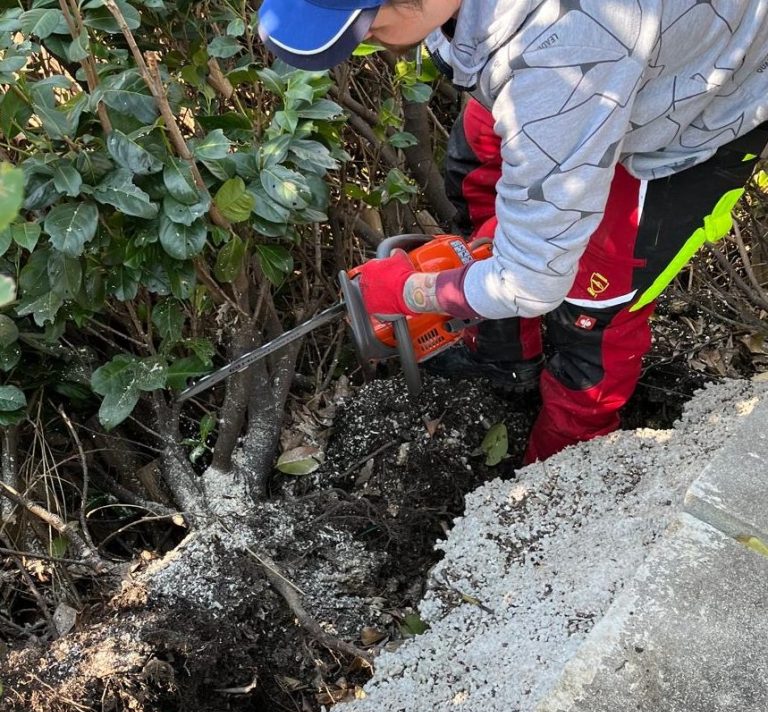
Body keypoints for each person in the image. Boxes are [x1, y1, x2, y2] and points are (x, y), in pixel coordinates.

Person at [259, 0, 768, 463]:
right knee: (477, 165)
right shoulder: (511, 50)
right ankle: (504, 351)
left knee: (594, 311)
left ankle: (560, 471)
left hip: (693, 115)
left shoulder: (560, 63)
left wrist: (416, 290)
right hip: (610, 66)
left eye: (367, 24)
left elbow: (533, 281)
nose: (368, 42)